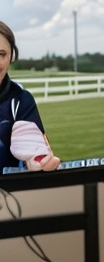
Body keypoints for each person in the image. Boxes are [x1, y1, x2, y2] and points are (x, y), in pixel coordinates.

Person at [0, 21, 60, 172]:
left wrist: (39, 162)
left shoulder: (21, 100)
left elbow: (35, 154)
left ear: (11, 56)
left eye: (1, 54)